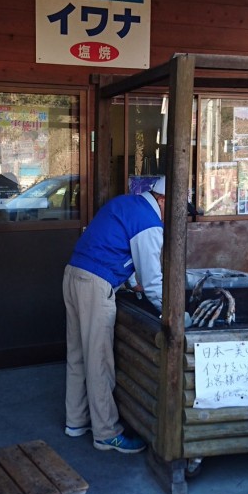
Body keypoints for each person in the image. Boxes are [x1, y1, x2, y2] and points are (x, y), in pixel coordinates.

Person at [61, 176, 166, 454]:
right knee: (99, 360)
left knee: (77, 355)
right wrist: (172, 313)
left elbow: (113, 246)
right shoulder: (149, 222)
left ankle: (76, 420)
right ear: (163, 200)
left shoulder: (126, 203)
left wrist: (131, 283)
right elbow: (154, 281)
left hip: (73, 276)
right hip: (95, 285)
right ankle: (106, 433)